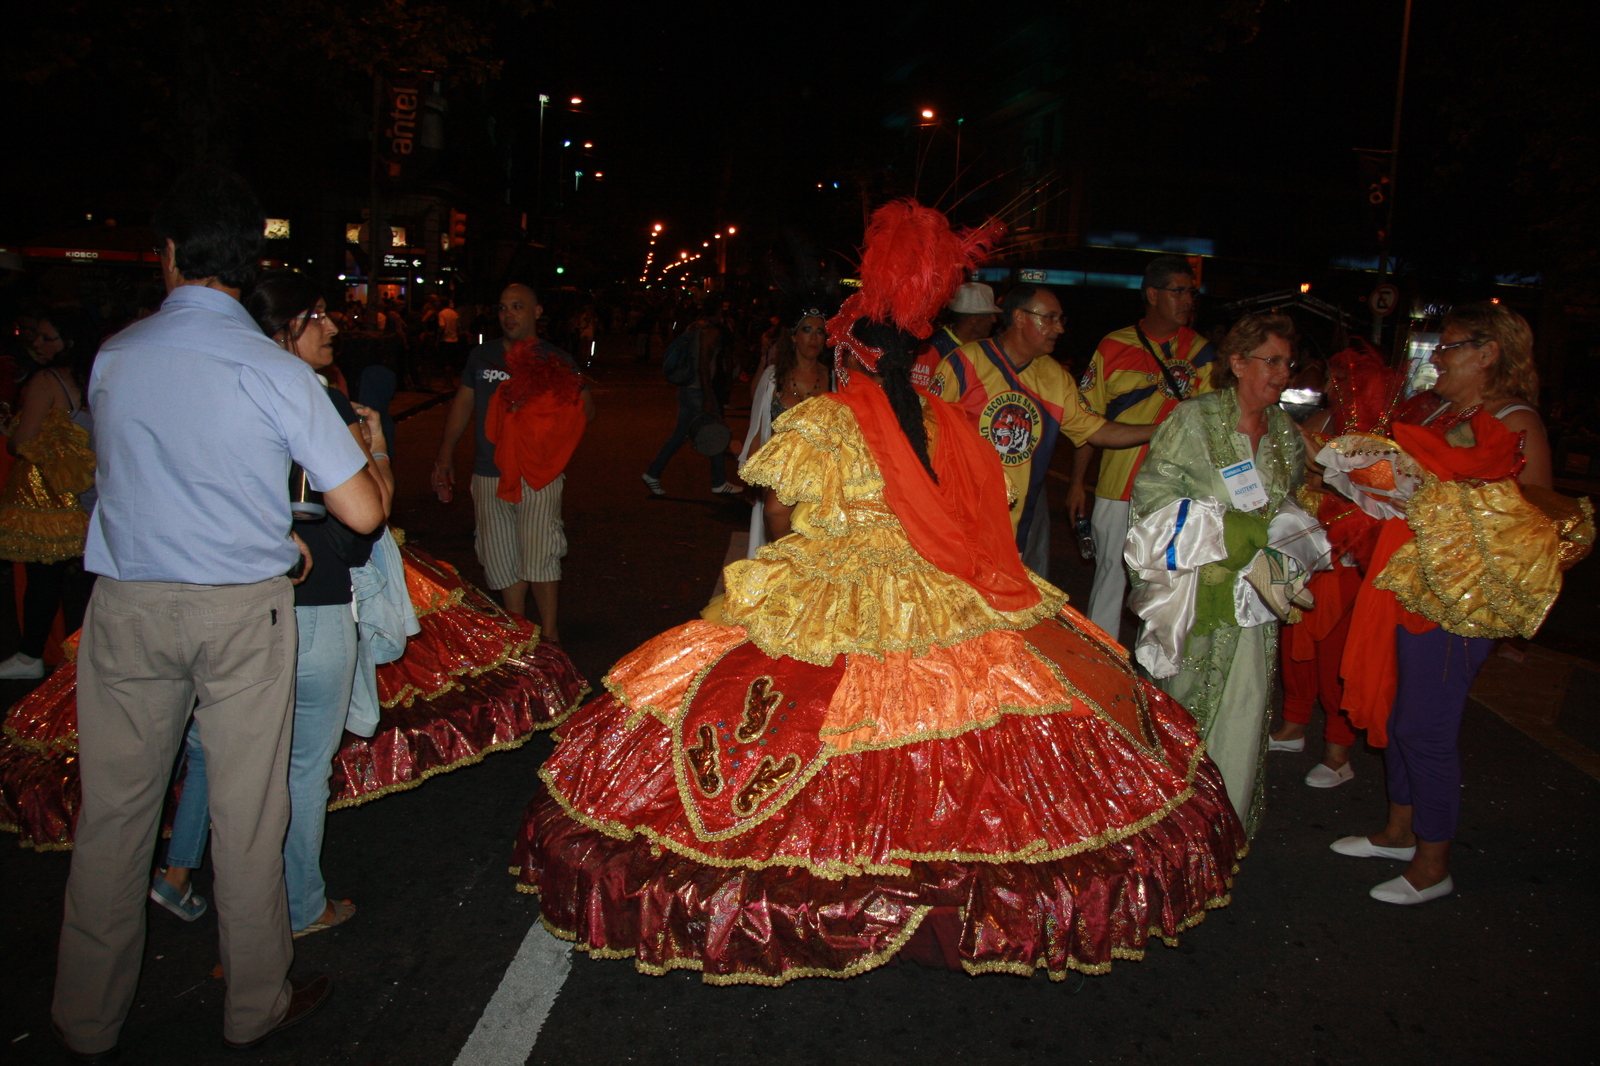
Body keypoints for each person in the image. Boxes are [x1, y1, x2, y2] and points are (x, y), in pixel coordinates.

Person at [512, 200, 1244, 984]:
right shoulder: (946, 418)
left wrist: (830, 543)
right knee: (950, 723)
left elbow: (782, 514)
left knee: (807, 719)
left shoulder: (827, 420)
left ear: (850, 357)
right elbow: (976, 513)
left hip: (836, 581)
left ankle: (829, 871)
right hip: (941, 582)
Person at [51, 167, 384, 1057]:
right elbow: (362, 511)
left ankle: (85, 1017)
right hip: (242, 611)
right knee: (248, 816)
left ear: (166, 257)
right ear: (248, 263)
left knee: (116, 817)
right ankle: (254, 1003)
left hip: (127, 605)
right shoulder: (270, 371)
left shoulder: (116, 356)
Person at [151, 271, 395, 938]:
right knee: (301, 769)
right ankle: (298, 905)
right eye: (318, 315)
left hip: (227, 605)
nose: (334, 327)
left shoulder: (213, 389)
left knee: (224, 753)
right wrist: (376, 454)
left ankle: (187, 876)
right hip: (313, 611)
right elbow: (370, 516)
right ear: (286, 327)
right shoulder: (317, 401)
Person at [1331, 302, 1572, 905]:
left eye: (1450, 346)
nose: (1436, 357)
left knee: (1425, 727)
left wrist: (1454, 517)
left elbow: (1542, 525)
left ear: (1488, 353)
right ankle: (1398, 831)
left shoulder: (1516, 421)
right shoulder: (1444, 410)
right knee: (1401, 709)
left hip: (1461, 598)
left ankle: (1433, 864)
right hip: (1413, 580)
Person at [1127, 312, 1305, 836]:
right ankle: (1165, 824)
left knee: (1245, 710)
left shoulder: (1286, 435)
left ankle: (1221, 827)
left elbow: (1290, 502)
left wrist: (1286, 543)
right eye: (1271, 361)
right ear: (1237, 363)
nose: (1282, 373)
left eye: (1287, 363)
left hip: (1254, 600)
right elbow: (1151, 496)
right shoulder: (1193, 419)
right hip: (1194, 594)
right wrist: (1220, 531)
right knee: (1180, 702)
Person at [930, 284, 1157, 582]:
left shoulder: (1056, 380)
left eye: (1060, 319)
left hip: (1013, 533)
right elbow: (927, 436)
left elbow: (1097, 431)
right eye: (1049, 318)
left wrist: (1159, 429)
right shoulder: (963, 364)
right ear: (1020, 317)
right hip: (957, 525)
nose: (1059, 328)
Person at [1268, 342, 1399, 788]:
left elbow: (1379, 493)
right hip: (1308, 546)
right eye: (1338, 382)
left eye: (1356, 383)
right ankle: (1293, 724)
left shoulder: (1384, 434)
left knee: (1336, 653)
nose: (1344, 391)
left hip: (1350, 558)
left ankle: (1338, 752)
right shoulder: (1321, 422)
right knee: (1294, 636)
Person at [431, 284, 594, 641]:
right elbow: (463, 404)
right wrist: (445, 455)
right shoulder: (482, 357)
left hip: (537, 474)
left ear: (536, 312)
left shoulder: (556, 359)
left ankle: (550, 636)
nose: (509, 315)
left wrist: (541, 414)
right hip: (489, 472)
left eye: (518, 307)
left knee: (541, 553)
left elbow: (585, 408)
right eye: (503, 308)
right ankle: (519, 634)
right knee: (500, 557)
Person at [1070, 256, 1217, 638]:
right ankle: (1103, 662)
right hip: (1117, 488)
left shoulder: (1202, 353)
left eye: (1191, 292)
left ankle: (1154, 670)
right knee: (1110, 577)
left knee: (1164, 584)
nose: (1187, 300)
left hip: (1175, 491)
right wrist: (1077, 483)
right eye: (1178, 291)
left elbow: (1212, 425)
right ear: (1152, 294)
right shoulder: (1112, 346)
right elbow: (1089, 418)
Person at [0, 313, 97, 680]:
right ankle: (80, 658)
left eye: (46, 337)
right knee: (86, 580)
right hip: (97, 494)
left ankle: (31, 655)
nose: (37, 344)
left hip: (57, 500)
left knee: (44, 577)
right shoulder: (97, 375)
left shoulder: (46, 380)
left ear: (68, 341)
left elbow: (22, 442)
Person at [737, 308, 832, 556]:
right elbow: (759, 427)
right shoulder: (773, 378)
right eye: (807, 330)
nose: (813, 338)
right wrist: (752, 476)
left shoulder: (833, 378)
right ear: (793, 336)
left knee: (812, 538)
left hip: (819, 471)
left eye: (820, 331)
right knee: (775, 520)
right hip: (779, 471)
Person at [642, 302, 741, 497]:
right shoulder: (710, 332)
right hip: (698, 390)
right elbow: (704, 364)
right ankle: (719, 481)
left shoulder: (695, 326)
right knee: (716, 431)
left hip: (687, 389)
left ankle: (653, 473)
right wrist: (707, 395)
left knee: (680, 435)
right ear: (719, 312)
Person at [909, 281, 1001, 393]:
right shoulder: (933, 347)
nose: (994, 320)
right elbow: (919, 394)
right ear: (973, 319)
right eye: (989, 316)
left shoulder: (985, 347)